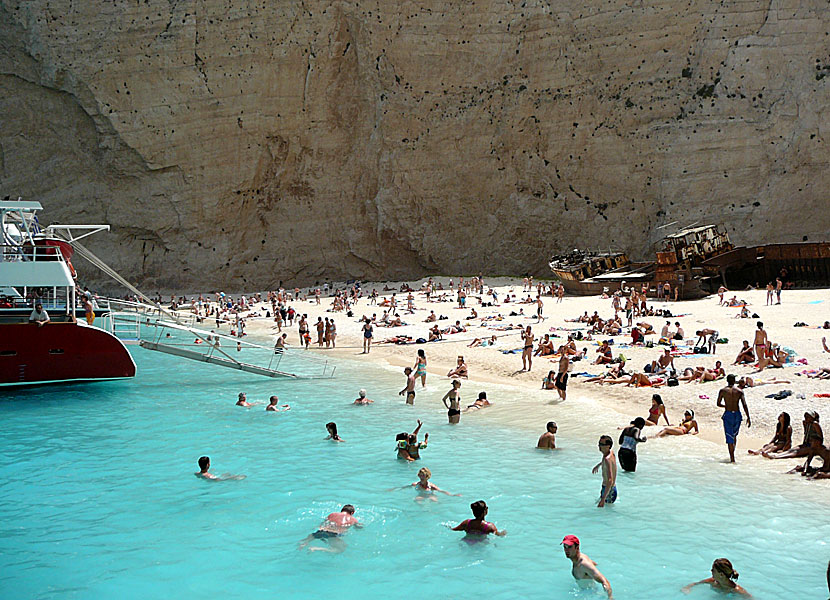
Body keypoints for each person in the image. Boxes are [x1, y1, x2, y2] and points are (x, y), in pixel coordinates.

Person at [298, 505, 362, 553]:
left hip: (322, 530)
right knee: (339, 550)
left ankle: (304, 544)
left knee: (309, 538)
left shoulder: (332, 514)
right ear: (352, 513)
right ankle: (316, 548)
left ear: (342, 510)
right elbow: (358, 527)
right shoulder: (353, 519)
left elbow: (324, 523)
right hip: (334, 534)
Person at [717, 374, 751, 462]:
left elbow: (718, 403)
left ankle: (732, 459)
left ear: (727, 380)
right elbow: (744, 404)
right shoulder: (739, 391)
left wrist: (726, 406)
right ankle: (733, 454)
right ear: (734, 380)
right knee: (734, 435)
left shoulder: (723, 391)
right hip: (737, 414)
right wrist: (748, 417)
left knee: (729, 436)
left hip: (728, 414)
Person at [682, 558, 750, 596]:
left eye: (713, 570)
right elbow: (695, 584)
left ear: (721, 575)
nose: (711, 571)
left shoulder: (736, 590)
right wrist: (686, 588)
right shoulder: (712, 581)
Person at [392, 467, 460, 502]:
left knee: (434, 501)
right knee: (416, 500)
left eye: (423, 476)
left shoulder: (431, 486)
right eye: (420, 475)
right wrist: (394, 489)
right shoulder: (415, 484)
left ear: (427, 477)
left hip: (430, 496)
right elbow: (404, 487)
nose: (421, 477)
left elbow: (441, 491)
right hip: (421, 496)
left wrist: (452, 495)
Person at [592, 435, 617, 507]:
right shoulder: (610, 453)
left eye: (602, 444)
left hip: (609, 491)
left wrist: (603, 499)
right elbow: (610, 463)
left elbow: (610, 480)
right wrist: (599, 464)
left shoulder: (607, 459)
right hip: (610, 489)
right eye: (599, 444)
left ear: (608, 446)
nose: (599, 446)